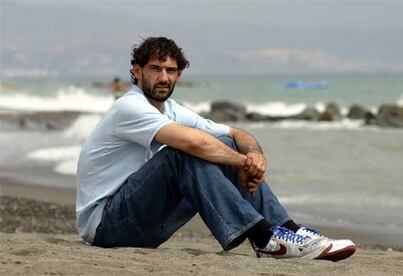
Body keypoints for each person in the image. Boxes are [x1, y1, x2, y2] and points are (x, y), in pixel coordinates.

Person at [76, 37, 356, 261]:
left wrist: (254, 156)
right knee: (181, 153)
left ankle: (288, 231)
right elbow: (194, 143)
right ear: (136, 72)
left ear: (179, 75)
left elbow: (235, 133)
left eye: (170, 70)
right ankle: (263, 237)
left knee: (224, 145)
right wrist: (240, 163)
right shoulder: (129, 106)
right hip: (107, 226)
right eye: (155, 69)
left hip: (147, 226)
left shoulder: (172, 110)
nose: (163, 77)